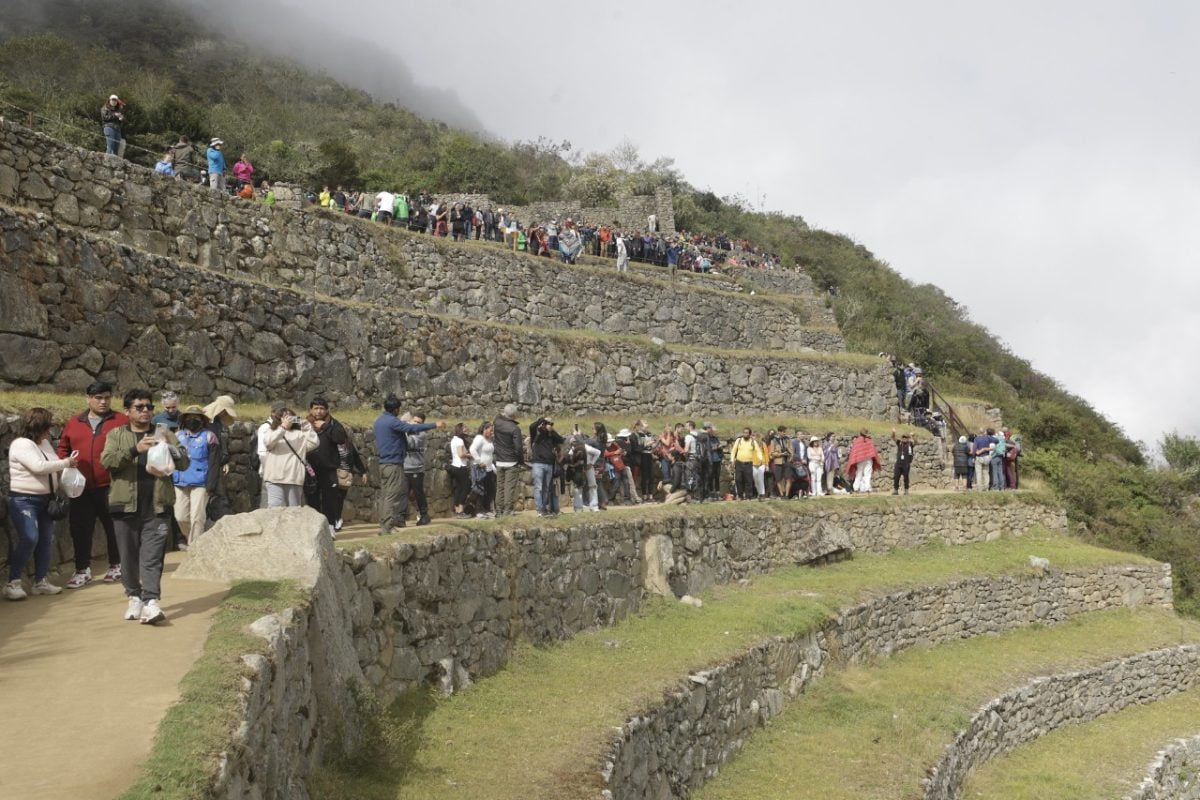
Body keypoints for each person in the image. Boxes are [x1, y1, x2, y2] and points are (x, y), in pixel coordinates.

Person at [100, 388, 190, 625]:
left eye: (149, 407)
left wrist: (170, 448)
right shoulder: (116, 434)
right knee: (128, 557)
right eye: (139, 407)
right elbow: (107, 462)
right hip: (124, 506)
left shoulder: (165, 432)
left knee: (152, 557)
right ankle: (134, 596)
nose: (145, 411)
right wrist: (135, 450)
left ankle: (151, 602)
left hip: (158, 506)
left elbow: (184, 462)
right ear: (127, 411)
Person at [57, 381, 126, 588]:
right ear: (88, 398)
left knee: (114, 527)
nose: (103, 401)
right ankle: (82, 570)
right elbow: (63, 447)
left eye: (106, 397)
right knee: (79, 529)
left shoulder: (120, 420)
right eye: (98, 397)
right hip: (81, 488)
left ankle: (117, 565)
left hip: (111, 485)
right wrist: (66, 464)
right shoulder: (74, 422)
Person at [4, 408, 75, 600]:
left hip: (46, 499)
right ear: (38, 426)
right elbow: (38, 467)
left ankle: (41, 581)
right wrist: (67, 463)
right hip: (24, 499)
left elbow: (53, 465)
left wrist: (66, 474)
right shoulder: (21, 444)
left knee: (46, 540)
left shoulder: (44, 443)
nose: (50, 430)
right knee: (30, 537)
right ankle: (13, 582)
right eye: (48, 425)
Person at [374, 395, 441, 534]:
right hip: (393, 464)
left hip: (383, 463)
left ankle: (384, 524)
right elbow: (411, 429)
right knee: (392, 495)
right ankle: (387, 527)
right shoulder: (392, 422)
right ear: (396, 409)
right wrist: (435, 424)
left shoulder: (379, 421)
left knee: (385, 495)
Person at [304, 398, 364, 536]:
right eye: (316, 408)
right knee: (312, 499)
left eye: (322, 408)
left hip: (329, 469)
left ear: (327, 410)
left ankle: (330, 527)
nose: (319, 411)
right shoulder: (305, 423)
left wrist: (325, 427)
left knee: (329, 500)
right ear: (311, 410)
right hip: (310, 469)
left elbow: (340, 439)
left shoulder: (334, 424)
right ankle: (314, 530)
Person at [171, 405, 219, 546]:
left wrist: (211, 485)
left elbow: (214, 462)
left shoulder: (210, 437)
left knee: (197, 517)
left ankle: (195, 548)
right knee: (180, 516)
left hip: (201, 482)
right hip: (180, 480)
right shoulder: (177, 436)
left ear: (202, 420)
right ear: (184, 420)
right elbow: (170, 459)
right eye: (190, 417)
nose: (193, 420)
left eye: (196, 418)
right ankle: (195, 539)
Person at [261, 406, 318, 508]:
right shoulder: (272, 431)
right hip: (274, 478)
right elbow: (268, 443)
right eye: (285, 417)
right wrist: (282, 428)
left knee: (294, 511)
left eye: (290, 417)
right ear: (279, 419)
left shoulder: (299, 434)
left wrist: (307, 428)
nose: (288, 419)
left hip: (294, 478)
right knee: (274, 509)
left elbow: (314, 443)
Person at [492, 404, 525, 517]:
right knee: (508, 488)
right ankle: (507, 511)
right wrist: (521, 461)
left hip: (499, 460)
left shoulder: (497, 423)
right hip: (511, 461)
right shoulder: (515, 428)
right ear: (514, 415)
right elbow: (519, 448)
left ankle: (498, 511)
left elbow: (498, 416)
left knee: (499, 487)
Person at [530, 416, 564, 516]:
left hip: (549, 464)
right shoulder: (536, 433)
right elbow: (531, 426)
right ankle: (539, 509)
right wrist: (542, 421)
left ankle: (544, 508)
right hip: (538, 464)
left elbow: (561, 440)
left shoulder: (551, 435)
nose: (548, 425)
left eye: (550, 423)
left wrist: (552, 431)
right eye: (546, 423)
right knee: (539, 487)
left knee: (546, 488)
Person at [402, 412, 432, 526]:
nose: (416, 424)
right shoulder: (406, 430)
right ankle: (401, 517)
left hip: (416, 469)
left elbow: (410, 443)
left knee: (418, 493)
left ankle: (424, 515)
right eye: (414, 421)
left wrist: (403, 429)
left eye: (419, 423)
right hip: (404, 467)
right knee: (403, 494)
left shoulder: (421, 434)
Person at [469, 422, 498, 518]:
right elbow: (472, 449)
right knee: (480, 490)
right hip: (479, 468)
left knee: (489, 490)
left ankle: (486, 509)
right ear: (484, 429)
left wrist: (492, 466)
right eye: (490, 430)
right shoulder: (479, 438)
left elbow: (489, 455)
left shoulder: (489, 440)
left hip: (489, 468)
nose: (492, 432)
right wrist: (479, 461)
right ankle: (478, 511)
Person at [447, 423, 473, 518]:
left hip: (455, 466)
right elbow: (461, 454)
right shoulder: (460, 441)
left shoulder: (454, 440)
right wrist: (471, 455)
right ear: (460, 430)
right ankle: (460, 510)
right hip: (460, 467)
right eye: (464, 428)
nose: (466, 429)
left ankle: (457, 510)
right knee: (465, 488)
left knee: (458, 489)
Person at [729, 428, 758, 500]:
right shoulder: (738, 441)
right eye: (744, 432)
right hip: (739, 463)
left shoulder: (753, 442)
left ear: (750, 434)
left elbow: (758, 452)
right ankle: (740, 495)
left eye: (747, 433)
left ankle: (748, 496)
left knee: (748, 480)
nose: (745, 434)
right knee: (738, 479)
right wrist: (732, 460)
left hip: (749, 463)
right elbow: (733, 451)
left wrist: (759, 461)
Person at [891, 429, 915, 495]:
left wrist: (912, 436)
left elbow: (915, 442)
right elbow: (893, 438)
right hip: (898, 463)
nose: (904, 438)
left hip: (906, 464)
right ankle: (896, 490)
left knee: (906, 477)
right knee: (896, 477)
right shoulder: (899, 442)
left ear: (908, 438)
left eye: (906, 437)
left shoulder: (910, 444)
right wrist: (893, 432)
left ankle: (906, 490)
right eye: (903, 437)